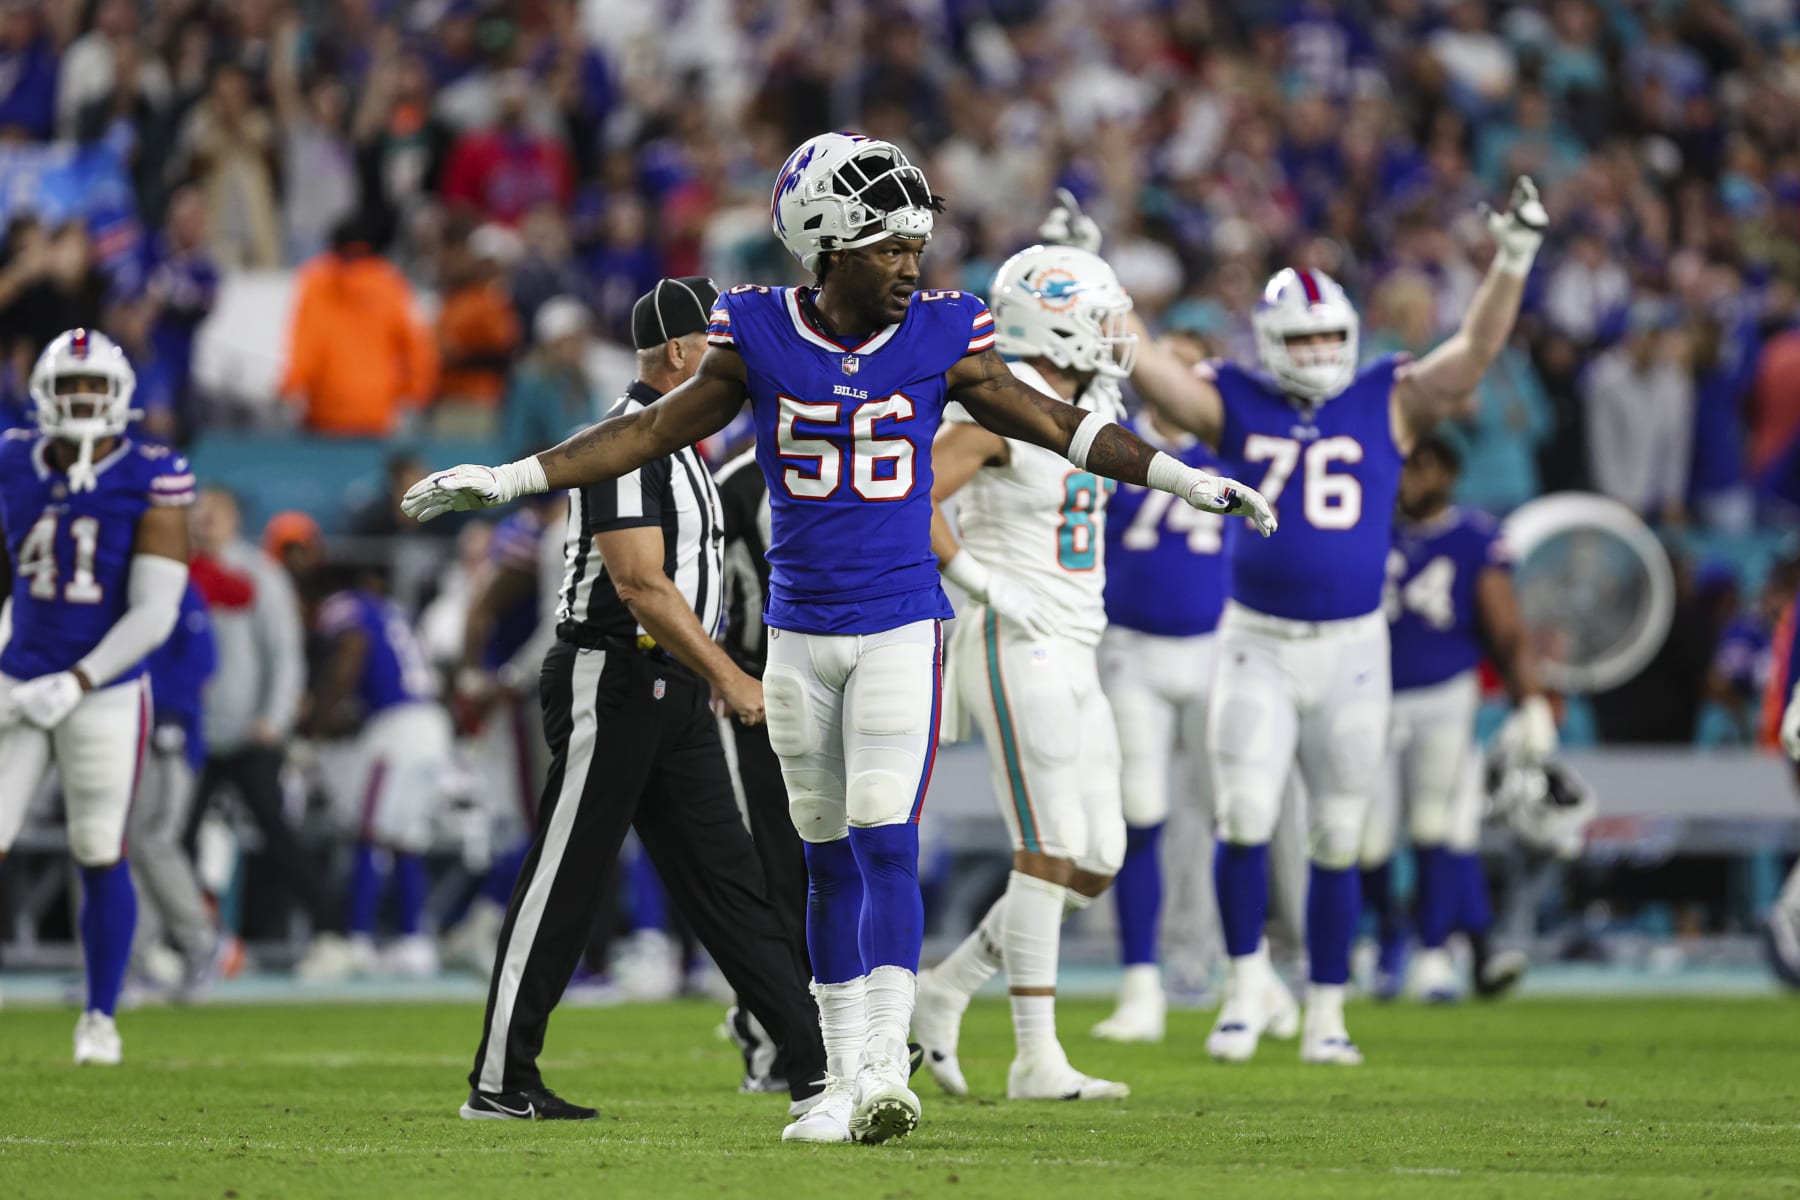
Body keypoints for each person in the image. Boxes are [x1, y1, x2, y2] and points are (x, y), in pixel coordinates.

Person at [402, 134, 1275, 1144]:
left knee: (882, 833)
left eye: (917, 241)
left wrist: (1183, 479)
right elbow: (649, 430)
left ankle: (879, 1068)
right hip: (799, 632)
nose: (913, 261)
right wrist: (511, 479)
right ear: (826, 242)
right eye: (889, 243)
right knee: (821, 856)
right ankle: (828, 1083)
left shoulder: (946, 332)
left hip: (904, 621)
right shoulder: (760, 331)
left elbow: (1058, 425)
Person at [1118, 176, 1547, 1064]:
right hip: (1256, 643)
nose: (1317, 351)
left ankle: (1325, 1009)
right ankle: (1244, 992)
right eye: (1302, 338)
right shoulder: (1235, 394)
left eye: (1329, 336)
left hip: (1354, 648)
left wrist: (1513, 258)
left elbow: (1474, 351)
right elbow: (1148, 362)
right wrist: (1091, 278)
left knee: (1339, 834)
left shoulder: (1385, 393)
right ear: (1271, 342)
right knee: (1241, 813)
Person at [440, 276, 830, 1127]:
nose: (740, 366)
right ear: (685, 354)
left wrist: (709, 678)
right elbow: (640, 584)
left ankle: (816, 1068)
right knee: (566, 879)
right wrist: (730, 675)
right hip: (609, 677)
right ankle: (501, 1081)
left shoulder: (686, 448)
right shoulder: (628, 436)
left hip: (672, 689)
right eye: (725, 349)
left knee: (734, 888)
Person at [1086, 325, 1307, 1044]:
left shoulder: (1230, 451)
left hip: (1221, 650)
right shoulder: (1111, 444)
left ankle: (1250, 969)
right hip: (1132, 650)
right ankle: (1142, 984)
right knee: (1141, 812)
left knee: (1238, 813)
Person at [0, 329, 193, 1064]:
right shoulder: (12, 457)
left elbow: (155, 609)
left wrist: (76, 680)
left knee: (97, 846)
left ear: (118, 398)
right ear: (46, 394)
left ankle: (100, 1018)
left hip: (104, 689)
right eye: (70, 387)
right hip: (17, 674)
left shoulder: (151, 473)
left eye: (94, 388)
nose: (82, 401)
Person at [1358, 435, 1554, 1003]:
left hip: (1445, 692)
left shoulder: (1473, 537)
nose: (1407, 480)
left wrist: (1531, 697)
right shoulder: (1371, 525)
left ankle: (1433, 952)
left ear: (1446, 471)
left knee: (1433, 825)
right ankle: (1391, 932)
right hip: (1372, 693)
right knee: (1367, 840)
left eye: (1419, 466)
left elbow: (1507, 627)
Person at [185, 487, 347, 964]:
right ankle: (187, 938)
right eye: (199, 512)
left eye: (215, 512)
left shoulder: (258, 571)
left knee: (277, 837)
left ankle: (331, 932)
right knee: (174, 839)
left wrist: (272, 718)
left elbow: (284, 652)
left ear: (235, 518)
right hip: (196, 731)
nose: (205, 520)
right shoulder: (181, 570)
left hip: (249, 731)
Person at [301, 573, 454, 979]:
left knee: (368, 831)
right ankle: (412, 941)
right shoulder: (394, 611)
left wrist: (318, 720)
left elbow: (352, 650)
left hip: (397, 728)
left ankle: (356, 939)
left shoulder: (345, 605)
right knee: (405, 837)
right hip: (432, 724)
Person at [129, 579, 221, 1000]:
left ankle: (198, 941)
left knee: (155, 840)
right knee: (122, 845)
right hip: (125, 729)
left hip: (168, 733)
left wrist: (172, 714)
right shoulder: (125, 584)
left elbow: (202, 662)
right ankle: (130, 959)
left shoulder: (179, 590)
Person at [279, 217, 438, 438]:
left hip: (325, 411)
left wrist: (290, 389)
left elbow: (305, 345)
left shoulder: (317, 282)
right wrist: (415, 394)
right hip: (378, 411)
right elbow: (416, 345)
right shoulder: (389, 282)